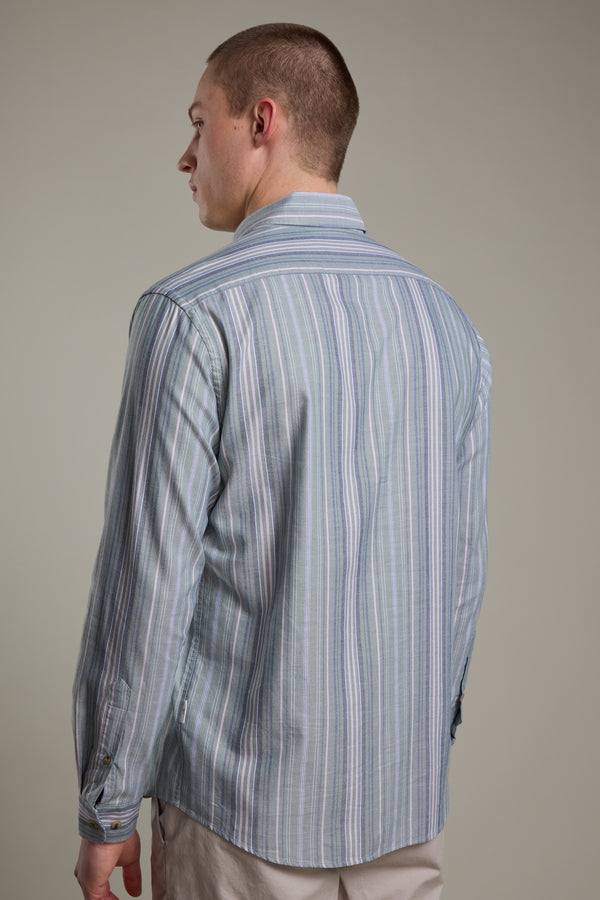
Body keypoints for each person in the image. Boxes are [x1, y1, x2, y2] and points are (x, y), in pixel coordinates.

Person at [73, 22, 491, 900]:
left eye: (200, 123)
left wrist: (107, 810)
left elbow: (146, 591)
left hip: (239, 821)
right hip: (405, 814)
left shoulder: (193, 315)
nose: (186, 155)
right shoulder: (445, 323)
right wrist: (418, 749)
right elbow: (460, 576)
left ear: (261, 121)